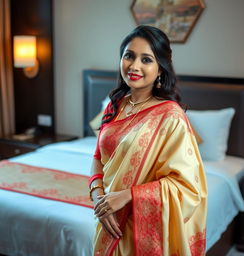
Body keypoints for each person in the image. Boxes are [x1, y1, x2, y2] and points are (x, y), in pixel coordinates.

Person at [89, 25, 207, 256]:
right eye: (129, 56)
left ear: (160, 69)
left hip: (140, 229)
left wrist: (126, 196)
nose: (134, 66)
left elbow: (187, 187)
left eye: (146, 59)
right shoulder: (115, 105)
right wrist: (98, 199)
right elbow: (97, 157)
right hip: (105, 218)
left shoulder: (171, 117)